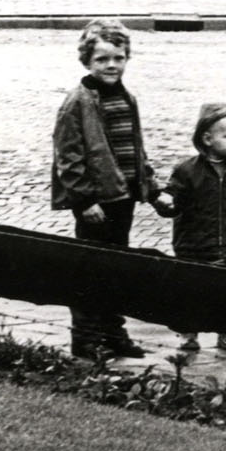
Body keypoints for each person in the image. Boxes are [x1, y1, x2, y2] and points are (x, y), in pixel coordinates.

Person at [50, 18, 162, 360]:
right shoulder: (78, 102)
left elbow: (135, 147)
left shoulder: (126, 97)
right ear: (87, 61)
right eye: (102, 59)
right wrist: (83, 200)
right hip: (96, 204)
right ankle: (86, 338)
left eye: (118, 57)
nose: (112, 65)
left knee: (117, 270)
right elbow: (68, 157)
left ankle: (114, 333)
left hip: (123, 198)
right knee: (89, 271)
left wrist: (151, 186)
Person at [155, 100, 226, 356]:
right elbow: (173, 200)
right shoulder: (186, 171)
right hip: (193, 245)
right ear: (207, 139)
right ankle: (188, 334)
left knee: (225, 292)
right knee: (190, 293)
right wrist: (163, 201)